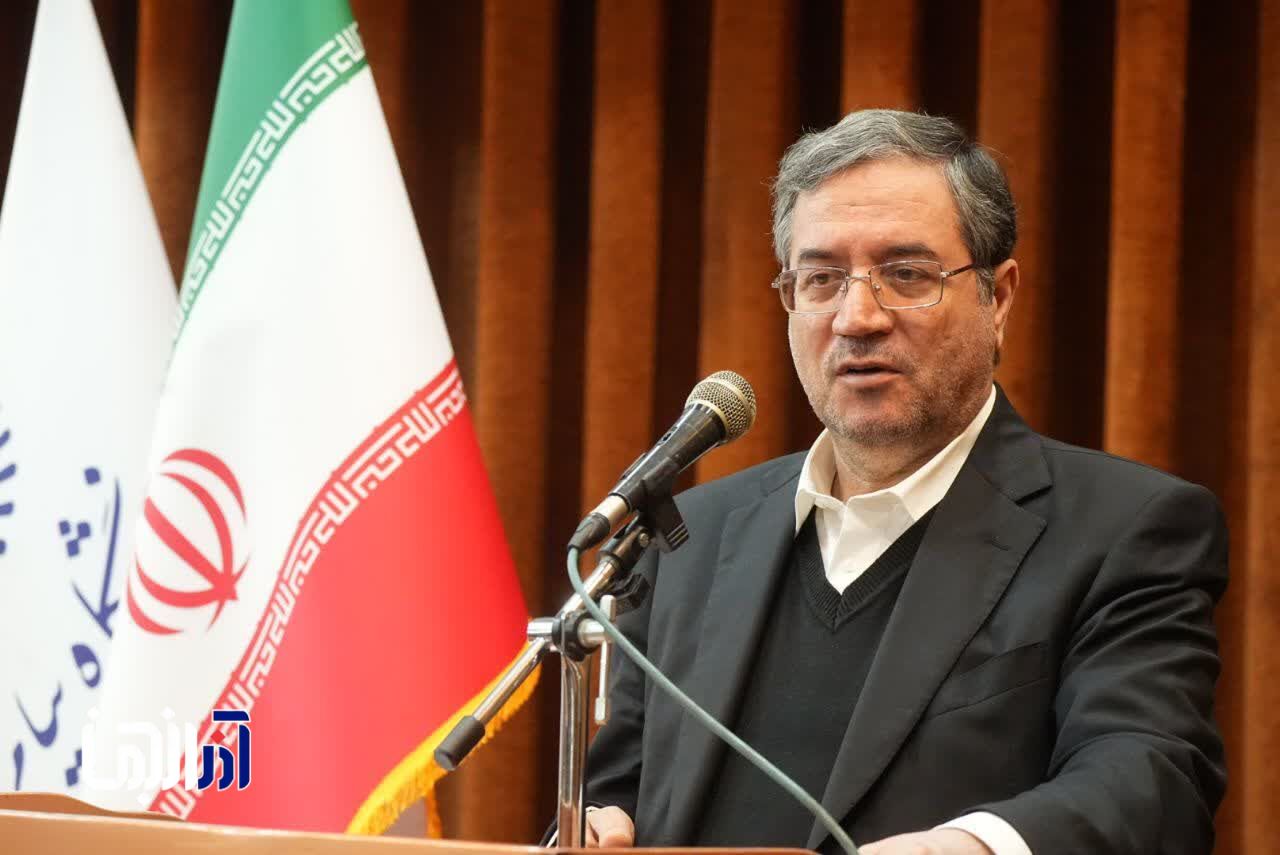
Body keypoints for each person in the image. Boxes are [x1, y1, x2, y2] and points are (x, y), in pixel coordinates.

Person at [576, 110, 1227, 855]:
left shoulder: (1125, 530)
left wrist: (972, 846)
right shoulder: (688, 537)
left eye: (907, 274)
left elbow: (1151, 776)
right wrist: (600, 823)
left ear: (998, 297)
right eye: (822, 279)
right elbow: (616, 792)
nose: (857, 318)